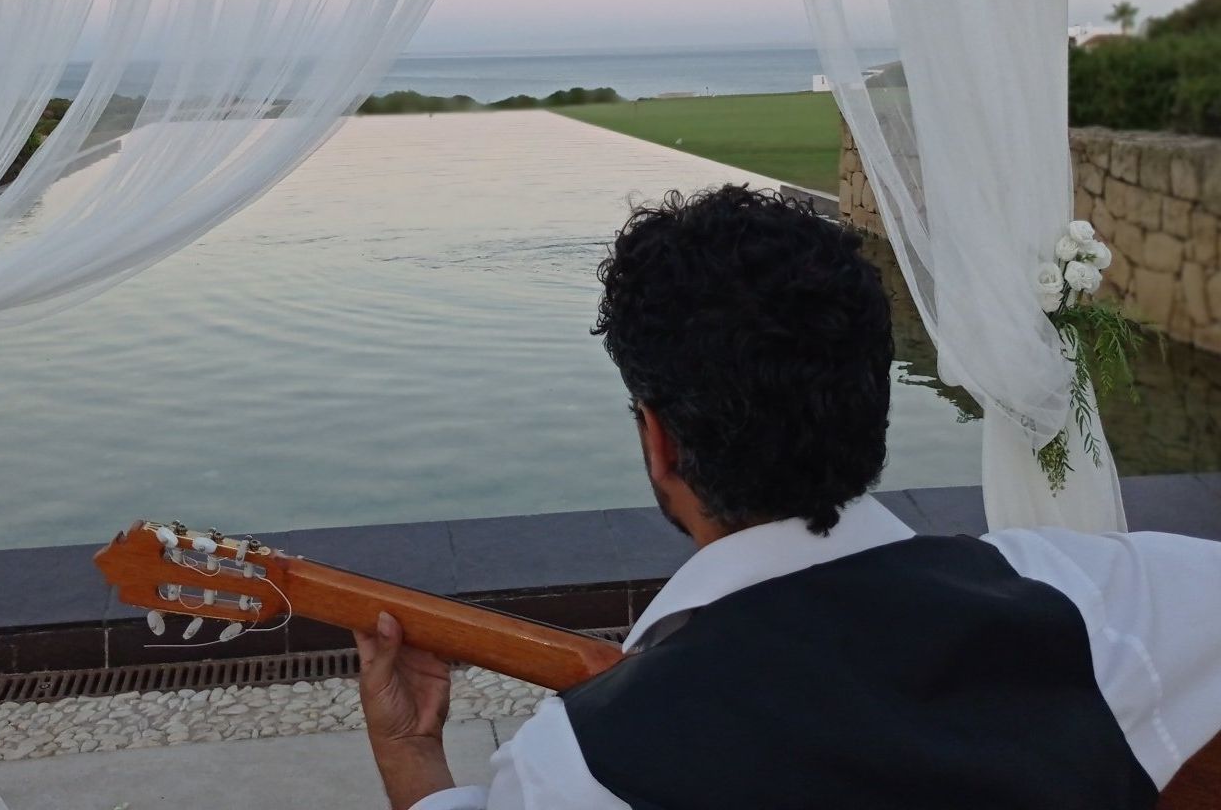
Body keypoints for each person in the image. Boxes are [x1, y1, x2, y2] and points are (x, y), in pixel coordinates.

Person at [355, 185, 1221, 810]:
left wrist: (409, 750)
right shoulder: (1091, 596)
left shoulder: (582, 765)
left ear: (659, 441)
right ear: (873, 400)